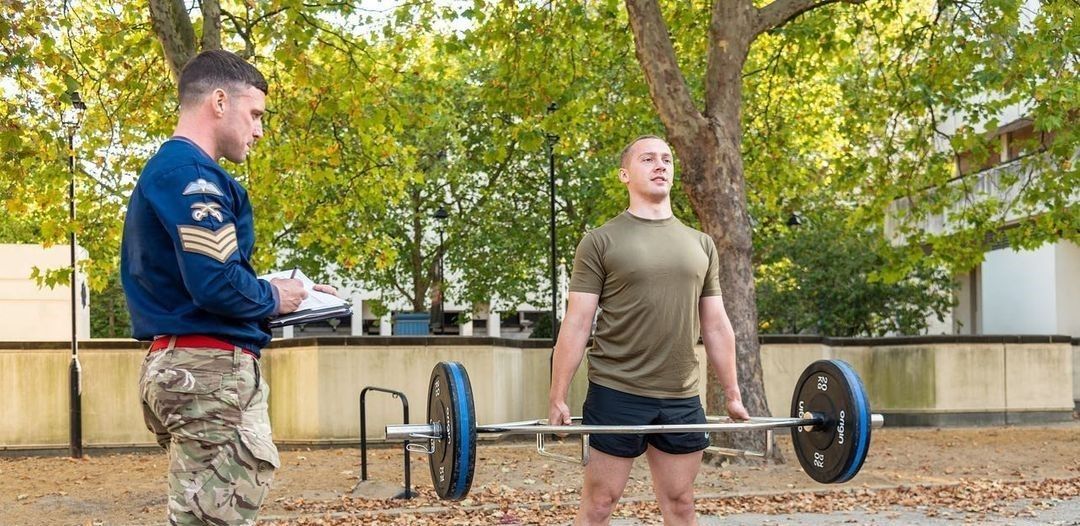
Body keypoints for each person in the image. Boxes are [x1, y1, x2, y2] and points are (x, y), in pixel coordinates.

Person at [120, 49, 334, 525]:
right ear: (219, 101)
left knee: (201, 513)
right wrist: (275, 295)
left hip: (185, 363)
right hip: (210, 370)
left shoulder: (173, 173)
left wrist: (279, 291)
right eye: (255, 114)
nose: (258, 130)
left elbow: (202, 276)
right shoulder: (193, 177)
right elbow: (216, 282)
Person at [548, 135, 750, 525]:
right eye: (648, 159)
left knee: (681, 504)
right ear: (625, 174)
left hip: (681, 395)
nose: (660, 165)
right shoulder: (599, 241)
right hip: (616, 391)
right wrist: (557, 395)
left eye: (666, 159)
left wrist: (732, 394)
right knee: (600, 504)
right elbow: (576, 323)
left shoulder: (702, 244)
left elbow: (716, 324)